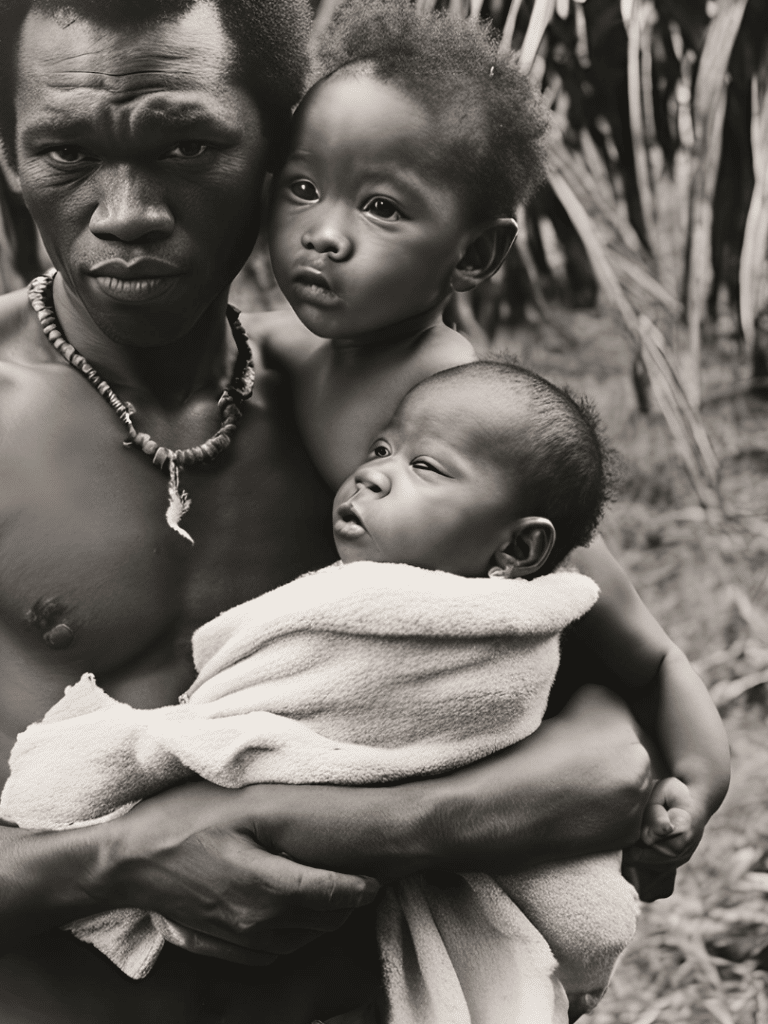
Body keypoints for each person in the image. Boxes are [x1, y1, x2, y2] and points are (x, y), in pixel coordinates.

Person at [0, 2, 663, 1022]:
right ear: (11, 148)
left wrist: (332, 823)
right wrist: (119, 860)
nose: (127, 208)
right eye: (65, 151)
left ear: (275, 151)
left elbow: (611, 758)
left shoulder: (368, 413)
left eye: (188, 144)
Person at [0, 362, 644, 1023]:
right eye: (381, 449)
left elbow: (325, 724)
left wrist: (156, 756)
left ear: (518, 549)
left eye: (428, 468)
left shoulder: (469, 632)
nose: (372, 473)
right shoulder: (367, 593)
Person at [258, 1, 729, 865]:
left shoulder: (453, 407)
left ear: (473, 257)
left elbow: (631, 634)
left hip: (483, 757)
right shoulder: (279, 347)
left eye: (382, 208)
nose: (323, 233)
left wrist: (697, 775)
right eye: (301, 188)